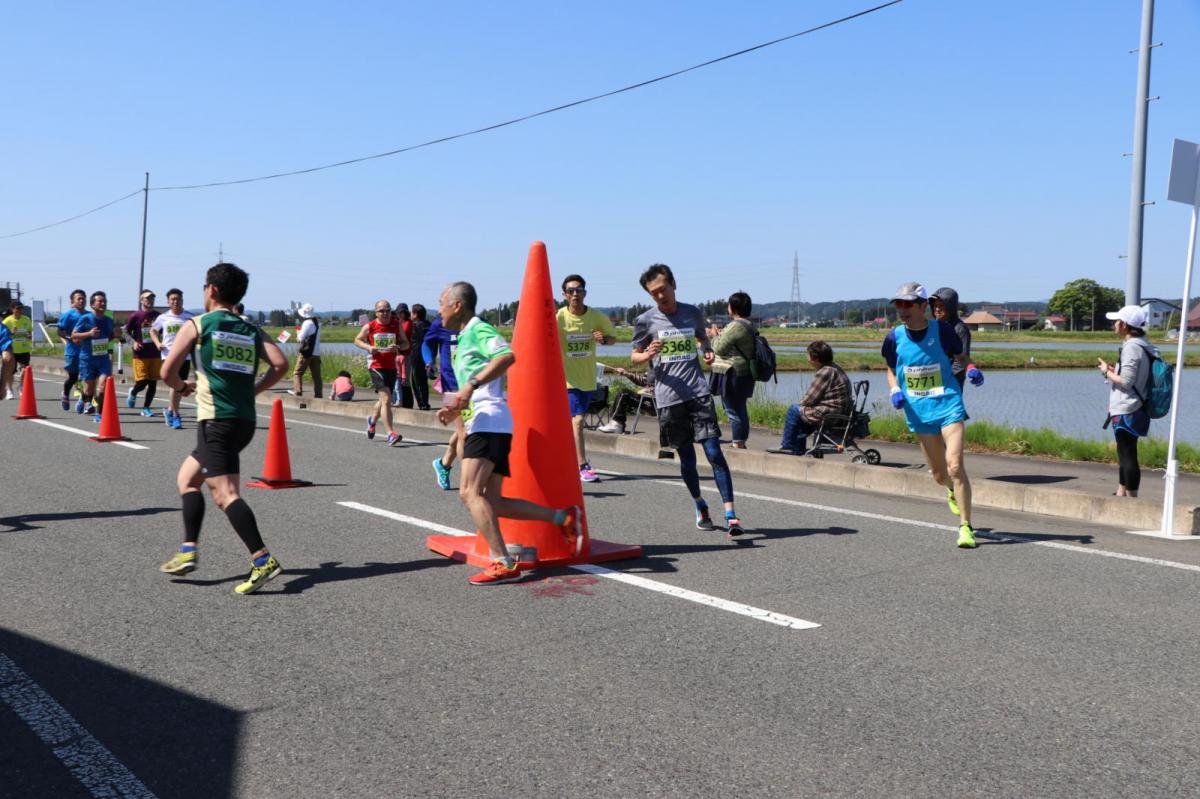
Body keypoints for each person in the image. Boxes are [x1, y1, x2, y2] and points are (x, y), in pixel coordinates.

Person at [435, 281, 581, 585]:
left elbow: (506, 356)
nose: (439, 310)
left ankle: (503, 562)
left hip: (489, 420)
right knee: (494, 500)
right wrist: (455, 407)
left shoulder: (477, 328)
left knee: (469, 493)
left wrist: (470, 387)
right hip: (486, 420)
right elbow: (471, 385)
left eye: (441, 303)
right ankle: (563, 518)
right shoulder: (462, 338)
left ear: (457, 305)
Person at [157, 262, 290, 594]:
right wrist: (253, 389)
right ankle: (188, 549)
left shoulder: (198, 324)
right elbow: (281, 365)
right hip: (244, 420)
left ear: (211, 290)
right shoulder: (250, 328)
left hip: (216, 421)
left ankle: (262, 559)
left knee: (225, 494)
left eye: (204, 287)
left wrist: (182, 386)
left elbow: (167, 373)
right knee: (188, 478)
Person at [632, 263, 745, 536]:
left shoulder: (693, 313)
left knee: (714, 452)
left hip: (698, 393)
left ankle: (731, 515)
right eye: (653, 293)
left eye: (662, 289)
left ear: (674, 285)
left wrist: (707, 351)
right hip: (669, 398)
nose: (659, 296)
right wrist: (647, 355)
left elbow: (702, 340)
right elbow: (634, 357)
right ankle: (700, 504)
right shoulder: (646, 320)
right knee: (687, 460)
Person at [882, 282, 984, 548]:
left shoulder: (943, 330)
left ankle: (966, 527)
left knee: (955, 465)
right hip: (919, 412)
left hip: (949, 405)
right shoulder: (895, 337)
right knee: (939, 475)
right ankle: (950, 489)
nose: (901, 309)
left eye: (907, 304)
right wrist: (894, 389)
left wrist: (971, 368)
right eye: (898, 304)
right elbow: (891, 369)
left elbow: (962, 356)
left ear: (921, 306)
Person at [556, 274, 616, 482]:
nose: (575, 294)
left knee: (571, 423)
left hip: (588, 379)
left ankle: (563, 459)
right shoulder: (559, 318)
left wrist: (604, 339)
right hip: (565, 380)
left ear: (585, 293)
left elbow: (612, 339)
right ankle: (582, 465)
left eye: (579, 290)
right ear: (564, 295)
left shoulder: (596, 317)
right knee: (579, 421)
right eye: (571, 291)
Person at [1098, 305, 1156, 498]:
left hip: (1128, 407)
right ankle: (1122, 491)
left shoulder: (1132, 347)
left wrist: (1107, 371)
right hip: (1136, 406)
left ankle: (1132, 499)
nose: (1114, 324)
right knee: (1125, 451)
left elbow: (1126, 382)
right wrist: (1115, 371)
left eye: (1116, 321)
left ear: (1124, 325)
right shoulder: (1142, 344)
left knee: (1128, 453)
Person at [768, 341, 852, 455]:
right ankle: (798, 449)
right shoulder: (834, 367)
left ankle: (787, 445)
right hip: (839, 413)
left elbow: (809, 399)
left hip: (829, 414)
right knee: (801, 415)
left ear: (815, 358)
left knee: (794, 410)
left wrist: (801, 405)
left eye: (808, 355)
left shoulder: (825, 372)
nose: (807, 358)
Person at [706, 291, 756, 449]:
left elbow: (718, 348)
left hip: (732, 372)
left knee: (731, 409)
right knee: (740, 407)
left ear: (733, 307)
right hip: (743, 372)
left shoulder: (736, 326)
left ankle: (738, 442)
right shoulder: (748, 324)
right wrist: (721, 334)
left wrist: (714, 335)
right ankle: (741, 441)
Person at [354, 299, 407, 446]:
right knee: (386, 400)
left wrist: (398, 347)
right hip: (375, 365)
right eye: (381, 311)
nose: (385, 313)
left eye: (388, 310)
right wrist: (369, 347)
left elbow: (406, 343)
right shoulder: (370, 326)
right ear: (376, 312)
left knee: (384, 400)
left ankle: (372, 420)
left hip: (391, 366)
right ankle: (390, 433)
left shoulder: (396, 325)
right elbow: (357, 340)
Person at [425, 315, 462, 489]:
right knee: (464, 429)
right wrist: (429, 362)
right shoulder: (441, 324)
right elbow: (426, 344)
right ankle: (473, 478)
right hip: (451, 384)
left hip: (472, 384)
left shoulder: (476, 322)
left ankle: (444, 463)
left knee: (467, 429)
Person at [150, 288, 195, 429]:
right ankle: (175, 414)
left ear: (182, 300)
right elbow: (153, 330)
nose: (175, 301)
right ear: (168, 302)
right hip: (168, 355)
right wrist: (158, 343)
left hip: (185, 356)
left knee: (179, 385)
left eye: (178, 299)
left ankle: (171, 410)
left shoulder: (189, 317)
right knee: (175, 385)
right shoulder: (163, 317)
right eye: (172, 299)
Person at [70, 291, 115, 421]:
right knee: (88, 389)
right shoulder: (86, 318)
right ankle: (83, 399)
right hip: (87, 359)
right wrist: (89, 334)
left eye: (104, 301)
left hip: (103, 358)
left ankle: (100, 414)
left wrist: (115, 334)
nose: (102, 303)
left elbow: (110, 336)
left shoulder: (109, 320)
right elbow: (74, 335)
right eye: (99, 301)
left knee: (102, 385)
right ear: (92, 305)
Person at [124, 290, 161, 417]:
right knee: (142, 382)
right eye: (146, 298)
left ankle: (146, 408)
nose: (149, 301)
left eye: (151, 298)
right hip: (140, 354)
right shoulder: (136, 316)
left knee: (153, 382)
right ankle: (133, 392)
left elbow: (163, 332)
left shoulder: (158, 316)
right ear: (141, 300)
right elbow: (126, 332)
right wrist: (133, 342)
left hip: (155, 353)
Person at [930, 288, 972, 389]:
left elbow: (961, 360)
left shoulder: (960, 329)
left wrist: (945, 378)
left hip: (952, 382)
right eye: (935, 306)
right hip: (933, 380)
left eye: (941, 306)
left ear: (950, 307)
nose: (937, 309)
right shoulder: (933, 327)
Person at [57, 289, 88, 410]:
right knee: (73, 377)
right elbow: (60, 330)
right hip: (72, 351)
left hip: (86, 351)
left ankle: (83, 400)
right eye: (78, 299)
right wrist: (71, 337)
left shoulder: (89, 315)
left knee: (87, 377)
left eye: (83, 298)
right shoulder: (68, 315)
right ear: (72, 302)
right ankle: (65, 394)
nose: (81, 300)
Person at [291, 303, 323, 398]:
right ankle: (318, 395)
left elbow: (300, 339)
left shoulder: (306, 323)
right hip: (316, 353)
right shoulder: (317, 323)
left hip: (306, 353)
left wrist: (298, 333)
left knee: (297, 373)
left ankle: (298, 392)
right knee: (316, 376)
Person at [2, 301, 32, 398]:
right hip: (12, 349)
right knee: (10, 372)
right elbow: (2, 335)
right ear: (13, 310)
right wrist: (11, 332)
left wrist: (29, 335)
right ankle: (9, 390)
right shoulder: (7, 321)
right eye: (18, 308)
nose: (20, 310)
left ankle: (21, 386)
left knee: (24, 370)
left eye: (21, 308)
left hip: (24, 349)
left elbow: (29, 332)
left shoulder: (26, 319)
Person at [409, 303, 432, 410]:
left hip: (415, 354)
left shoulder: (414, 325)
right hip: (427, 355)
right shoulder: (429, 325)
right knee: (424, 380)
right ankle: (426, 402)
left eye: (411, 312)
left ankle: (422, 403)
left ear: (416, 314)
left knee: (416, 380)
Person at [392, 303, 414, 408]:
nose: (400, 314)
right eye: (399, 312)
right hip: (398, 353)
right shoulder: (399, 322)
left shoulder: (408, 323)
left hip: (406, 353)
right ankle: (399, 400)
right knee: (398, 378)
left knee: (405, 380)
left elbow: (403, 335)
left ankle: (407, 403)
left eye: (402, 312)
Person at [0, 318, 14, 401]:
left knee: (8, 359)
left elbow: (6, 346)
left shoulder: (2, 328)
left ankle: (4, 387)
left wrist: (3, 385)